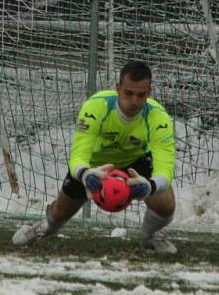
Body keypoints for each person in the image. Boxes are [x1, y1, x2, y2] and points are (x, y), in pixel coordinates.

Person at [12, 60, 177, 254]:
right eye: (128, 93)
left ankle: (151, 235)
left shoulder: (159, 118)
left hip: (135, 163)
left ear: (150, 92)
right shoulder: (96, 107)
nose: (134, 101)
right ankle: (44, 227)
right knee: (60, 213)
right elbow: (78, 155)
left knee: (166, 204)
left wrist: (150, 186)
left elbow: (165, 168)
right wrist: (85, 174)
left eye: (141, 95)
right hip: (94, 166)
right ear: (118, 89)